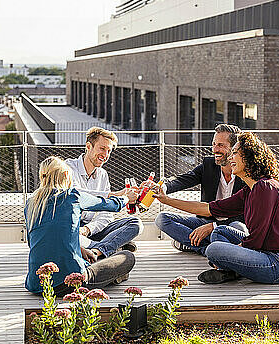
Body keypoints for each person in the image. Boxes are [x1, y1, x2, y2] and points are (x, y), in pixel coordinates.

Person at [152, 132, 279, 284]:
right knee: (220, 231)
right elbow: (207, 209)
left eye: (235, 153)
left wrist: (229, 252)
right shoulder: (249, 190)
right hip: (264, 252)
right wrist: (166, 200)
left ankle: (229, 269)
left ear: (250, 157)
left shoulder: (265, 187)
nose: (230, 158)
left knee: (214, 249)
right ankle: (232, 271)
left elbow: (256, 239)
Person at [25, 156, 136, 296]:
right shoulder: (72, 196)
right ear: (66, 175)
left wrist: (80, 249)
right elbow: (110, 205)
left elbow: (38, 241)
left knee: (95, 256)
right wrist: (127, 198)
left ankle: (102, 264)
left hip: (37, 285)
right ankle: (112, 275)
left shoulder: (31, 203)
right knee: (127, 257)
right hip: (70, 283)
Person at [154, 124, 248, 256]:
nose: (215, 149)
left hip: (231, 226)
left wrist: (214, 227)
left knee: (239, 227)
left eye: (221, 145)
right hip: (205, 221)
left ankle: (194, 243)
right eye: (214, 144)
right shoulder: (208, 165)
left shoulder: (246, 175)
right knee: (162, 219)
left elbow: (244, 216)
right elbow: (183, 179)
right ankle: (207, 248)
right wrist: (163, 187)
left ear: (234, 148)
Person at [65, 127, 143, 260]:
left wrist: (88, 229)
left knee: (135, 223)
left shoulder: (103, 174)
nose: (105, 155)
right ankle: (111, 247)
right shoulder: (68, 167)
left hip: (91, 229)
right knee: (69, 238)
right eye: (102, 148)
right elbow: (78, 194)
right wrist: (117, 195)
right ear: (89, 146)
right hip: (72, 228)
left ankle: (98, 250)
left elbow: (106, 214)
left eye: (109, 151)